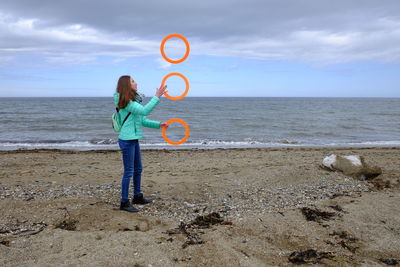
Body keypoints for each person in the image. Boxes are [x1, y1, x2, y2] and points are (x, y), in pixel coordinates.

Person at [113, 75, 168, 212]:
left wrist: (159, 125)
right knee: (129, 172)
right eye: (133, 81)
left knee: (138, 169)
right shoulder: (125, 102)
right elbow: (144, 110)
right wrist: (157, 97)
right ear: (126, 85)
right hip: (126, 140)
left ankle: (137, 196)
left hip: (133, 139)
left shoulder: (132, 101)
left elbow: (142, 119)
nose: (136, 83)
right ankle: (124, 202)